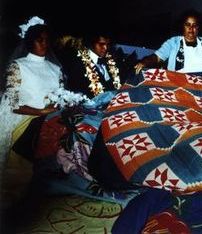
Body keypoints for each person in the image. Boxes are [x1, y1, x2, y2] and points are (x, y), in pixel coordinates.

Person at [0, 16, 63, 208]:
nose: (44, 44)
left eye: (46, 40)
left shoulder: (56, 68)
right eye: (39, 40)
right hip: (23, 116)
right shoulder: (17, 66)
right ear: (30, 41)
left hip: (50, 115)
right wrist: (41, 111)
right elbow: (12, 104)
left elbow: (59, 97)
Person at [134, 9, 202, 75]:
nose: (191, 28)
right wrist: (145, 62)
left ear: (198, 28)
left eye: (194, 25)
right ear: (182, 26)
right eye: (187, 24)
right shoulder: (173, 42)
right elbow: (157, 57)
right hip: (180, 85)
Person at [62, 30, 122, 98]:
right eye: (101, 44)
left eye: (108, 44)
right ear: (91, 43)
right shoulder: (78, 65)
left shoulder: (112, 60)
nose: (105, 48)